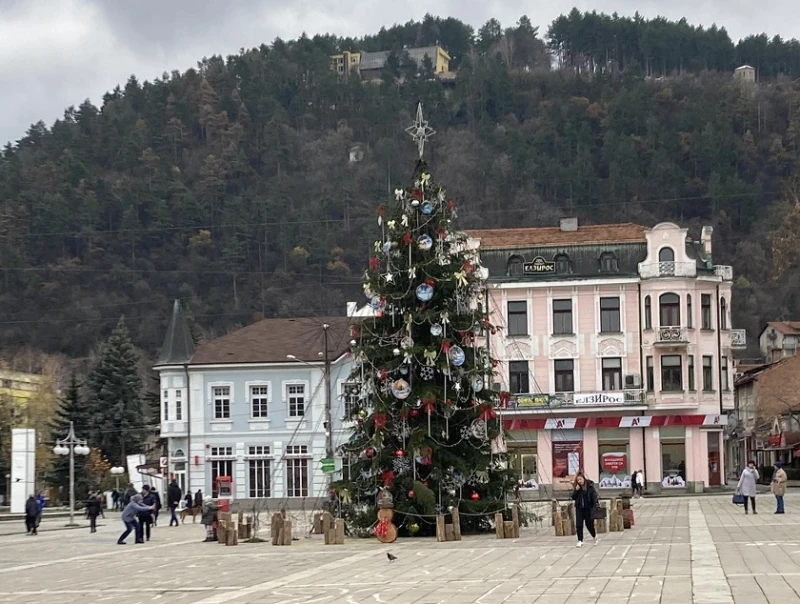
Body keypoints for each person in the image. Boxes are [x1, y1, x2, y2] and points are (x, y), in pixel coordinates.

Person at [571, 473, 599, 547]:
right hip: (579, 508)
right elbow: (573, 497)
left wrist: (595, 505)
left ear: (584, 479)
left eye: (580, 479)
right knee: (579, 524)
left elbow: (594, 497)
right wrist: (576, 491)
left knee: (589, 524)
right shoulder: (577, 488)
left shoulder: (590, 487)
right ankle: (580, 540)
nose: (579, 481)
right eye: (578, 480)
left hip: (588, 508)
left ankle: (594, 536)